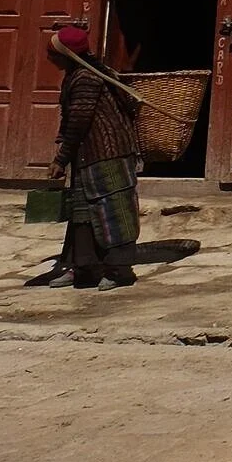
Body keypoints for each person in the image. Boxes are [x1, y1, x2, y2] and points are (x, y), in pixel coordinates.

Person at [49, 24, 140, 289]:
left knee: (113, 212)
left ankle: (119, 270)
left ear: (66, 55)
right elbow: (71, 117)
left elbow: (79, 120)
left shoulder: (87, 78)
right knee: (83, 213)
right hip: (87, 155)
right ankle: (85, 268)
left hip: (108, 153)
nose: (49, 58)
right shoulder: (76, 75)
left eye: (52, 53)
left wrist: (61, 159)